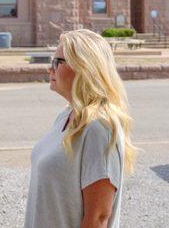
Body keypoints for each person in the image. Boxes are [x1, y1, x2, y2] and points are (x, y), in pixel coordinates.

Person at [24, 29, 137, 228]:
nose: (50, 69)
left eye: (57, 62)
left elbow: (98, 218)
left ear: (83, 66)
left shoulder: (99, 127)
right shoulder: (67, 115)